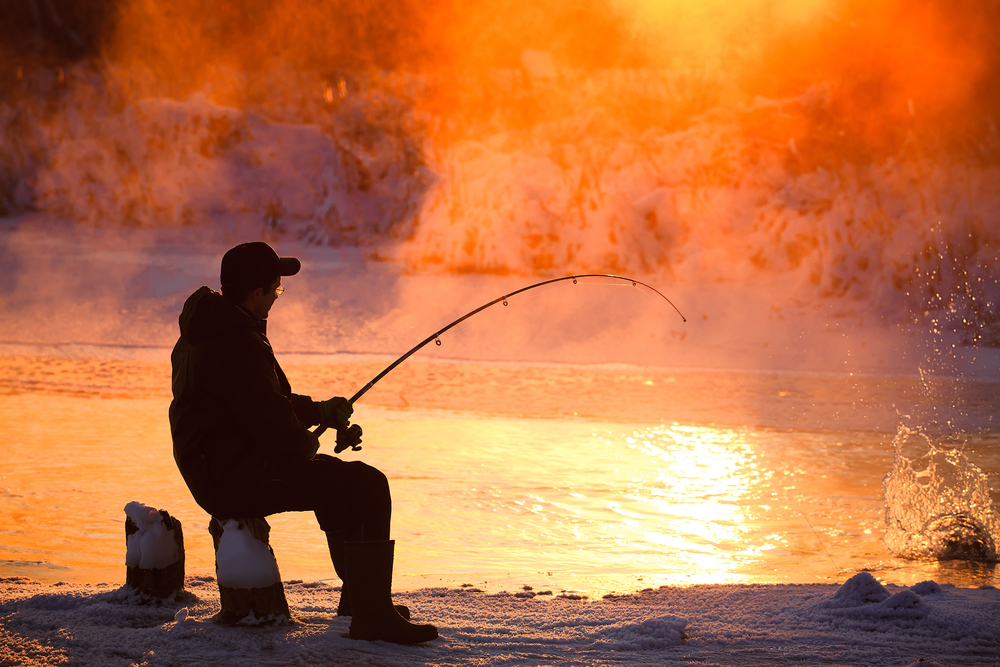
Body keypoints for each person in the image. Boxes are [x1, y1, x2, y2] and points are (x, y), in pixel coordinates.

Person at [169, 241, 437, 644]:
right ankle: (371, 613)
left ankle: (360, 600)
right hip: (234, 477)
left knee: (339, 482)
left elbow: (259, 400)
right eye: (276, 290)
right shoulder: (236, 342)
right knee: (366, 485)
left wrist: (320, 412)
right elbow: (272, 422)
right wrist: (307, 447)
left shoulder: (207, 330)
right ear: (255, 293)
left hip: (219, 466)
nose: (278, 297)